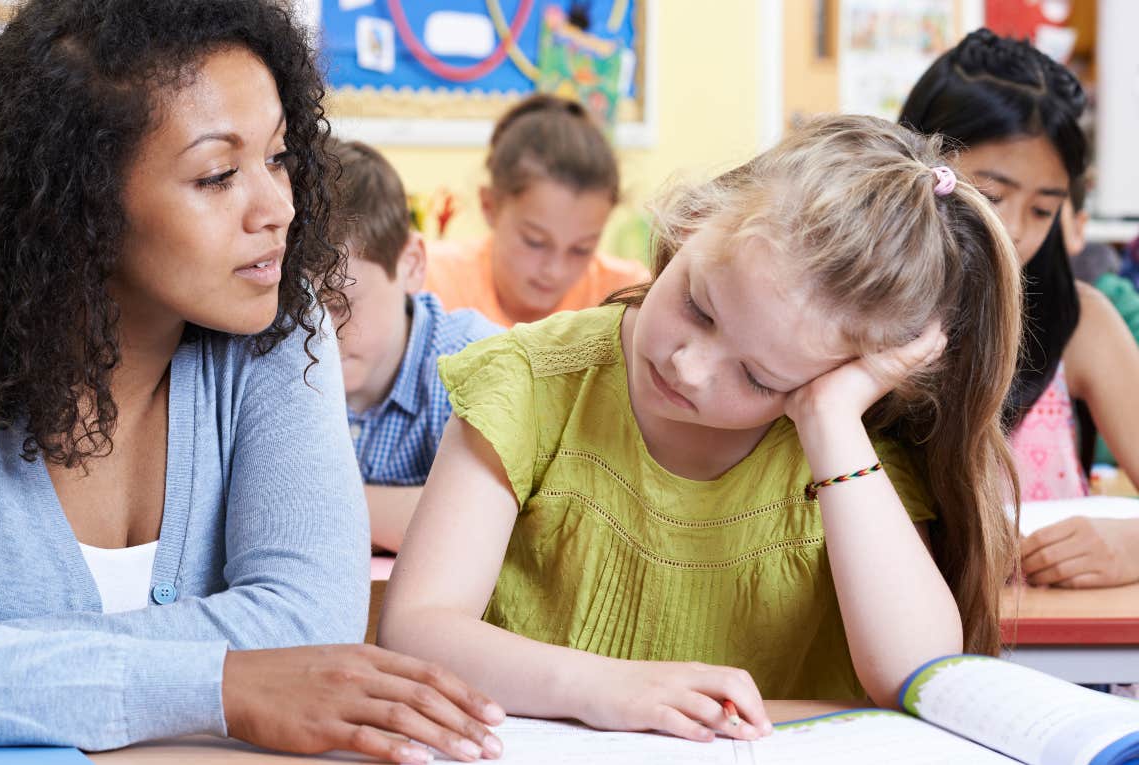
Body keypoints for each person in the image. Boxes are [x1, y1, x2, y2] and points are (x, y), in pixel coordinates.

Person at [0, 2, 505, 761]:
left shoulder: (282, 335)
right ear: (77, 204)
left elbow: (308, 628)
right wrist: (220, 684)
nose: (279, 208)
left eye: (281, 156)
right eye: (219, 175)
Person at [379, 115, 1022, 740]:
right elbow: (416, 627)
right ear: (693, 222)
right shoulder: (531, 382)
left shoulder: (848, 453)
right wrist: (604, 687)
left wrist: (830, 420)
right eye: (699, 306)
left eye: (759, 378)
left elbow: (916, 674)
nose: (688, 368)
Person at [901, 28, 1139, 589]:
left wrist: (1133, 546)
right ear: (917, 167)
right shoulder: (858, 322)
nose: (1011, 232)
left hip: (1058, 662)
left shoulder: (1082, 322)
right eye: (993, 195)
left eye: (1042, 209)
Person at [325, 138, 501, 552]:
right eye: (294, 308)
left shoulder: (475, 365)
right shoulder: (265, 364)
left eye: (337, 305)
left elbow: (482, 525)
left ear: (412, 265)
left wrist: (311, 509)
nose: (316, 334)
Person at [424, 94, 649, 327]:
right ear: (489, 206)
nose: (555, 271)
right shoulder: (430, 285)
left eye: (581, 249)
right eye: (535, 242)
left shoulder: (626, 299)